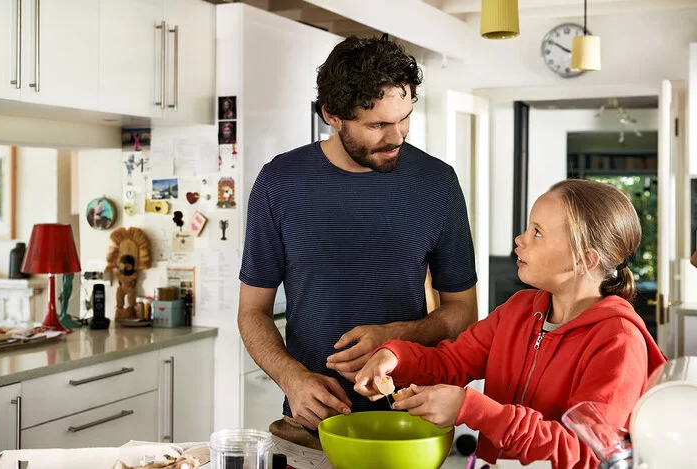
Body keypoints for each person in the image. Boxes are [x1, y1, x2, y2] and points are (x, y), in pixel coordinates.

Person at [238, 35, 478, 445]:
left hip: (409, 418)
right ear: (331, 115)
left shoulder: (438, 183)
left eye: (404, 117)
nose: (397, 136)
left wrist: (395, 336)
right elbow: (252, 312)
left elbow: (463, 312)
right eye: (378, 125)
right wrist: (292, 379)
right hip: (312, 424)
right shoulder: (279, 183)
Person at [355, 179, 667, 469]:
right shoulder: (518, 310)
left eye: (538, 232)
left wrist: (473, 409)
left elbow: (586, 454)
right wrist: (394, 358)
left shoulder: (619, 342)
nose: (520, 239)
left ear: (585, 260)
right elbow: (451, 361)